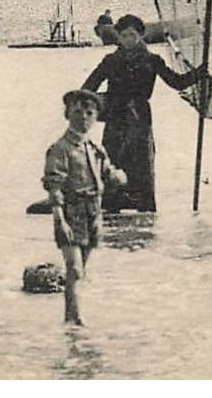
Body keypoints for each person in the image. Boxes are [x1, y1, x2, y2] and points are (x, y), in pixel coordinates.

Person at [80, 13, 204, 212]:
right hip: (116, 119)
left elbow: (177, 82)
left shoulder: (152, 60)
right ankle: (113, 223)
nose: (129, 40)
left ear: (141, 35)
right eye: (124, 36)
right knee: (112, 168)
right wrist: (94, 106)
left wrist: (200, 72)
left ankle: (144, 227)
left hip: (140, 120)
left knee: (142, 171)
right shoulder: (110, 61)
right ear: (118, 37)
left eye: (133, 35)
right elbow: (88, 88)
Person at [43, 89, 127, 326]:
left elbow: (108, 174)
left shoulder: (95, 148)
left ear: (96, 117)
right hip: (71, 211)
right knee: (74, 269)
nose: (83, 118)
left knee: (82, 269)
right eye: (77, 112)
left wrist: (119, 177)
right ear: (67, 114)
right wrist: (59, 218)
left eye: (89, 113)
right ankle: (73, 319)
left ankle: (72, 316)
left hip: (94, 211)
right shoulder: (61, 149)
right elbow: (54, 185)